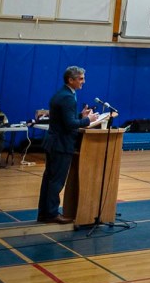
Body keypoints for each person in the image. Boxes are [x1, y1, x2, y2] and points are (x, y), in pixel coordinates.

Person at [37, 66, 102, 224]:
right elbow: (69, 124)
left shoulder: (62, 93)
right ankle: (51, 214)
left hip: (53, 142)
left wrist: (81, 115)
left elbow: (64, 118)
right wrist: (88, 120)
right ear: (70, 80)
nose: (83, 82)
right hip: (61, 144)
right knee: (56, 181)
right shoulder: (67, 97)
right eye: (80, 79)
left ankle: (44, 213)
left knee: (49, 180)